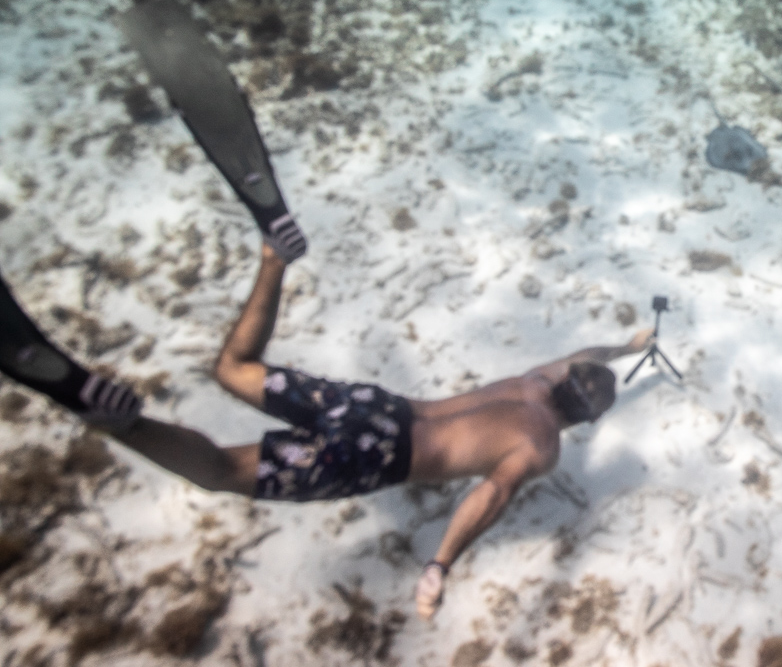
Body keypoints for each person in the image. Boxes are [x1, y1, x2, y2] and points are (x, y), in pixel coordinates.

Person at [0, 246, 654, 619]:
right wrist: (439, 564)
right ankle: (123, 424)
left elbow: (584, 354)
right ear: (587, 420)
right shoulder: (540, 447)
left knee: (233, 369)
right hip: (376, 454)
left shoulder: (537, 378)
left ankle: (273, 258)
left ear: (566, 377)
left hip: (378, 406)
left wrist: (626, 346)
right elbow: (491, 496)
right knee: (220, 471)